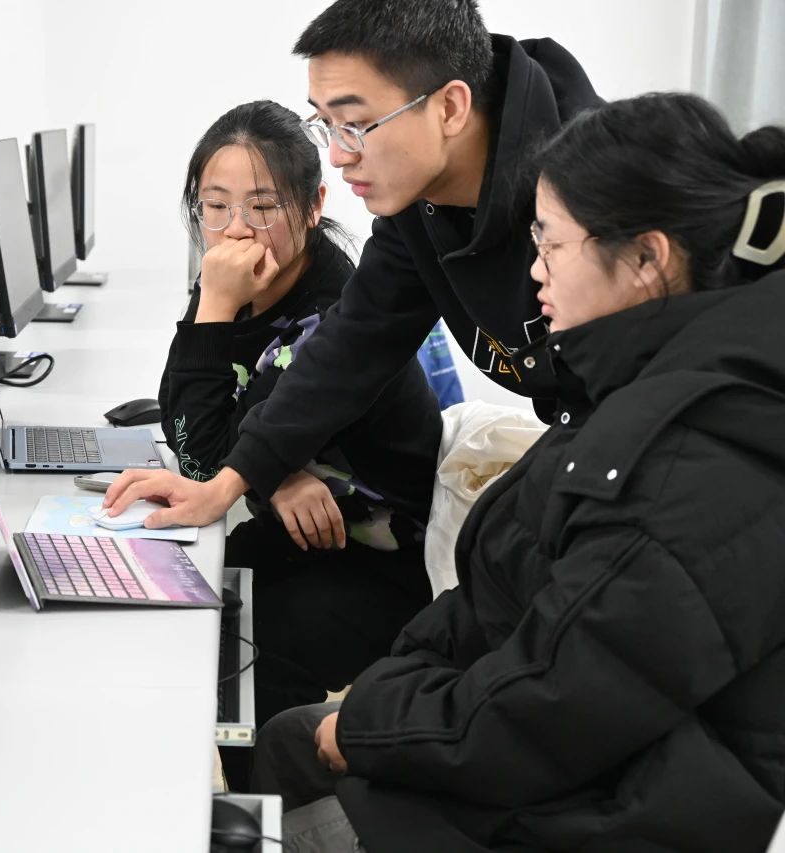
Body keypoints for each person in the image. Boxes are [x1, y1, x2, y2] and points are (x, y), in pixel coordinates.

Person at [252, 92, 785, 852]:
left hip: (596, 811)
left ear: (646, 260)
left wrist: (372, 722)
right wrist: (389, 691)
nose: (534, 272)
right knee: (289, 739)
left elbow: (554, 707)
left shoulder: (695, 453)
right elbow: (506, 601)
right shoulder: (630, 388)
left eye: (551, 244)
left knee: (277, 800)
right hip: (547, 756)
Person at [104, 0, 602, 539]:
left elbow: (633, 390)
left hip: (634, 466)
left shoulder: (597, 194)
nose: (339, 155)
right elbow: (354, 343)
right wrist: (229, 483)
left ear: (450, 108)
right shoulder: (419, 204)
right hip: (584, 456)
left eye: (357, 125)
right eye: (328, 125)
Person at [158, 101, 442, 739]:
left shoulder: (329, 315)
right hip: (305, 538)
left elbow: (202, 460)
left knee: (253, 639)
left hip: (382, 563)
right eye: (214, 206)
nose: (236, 230)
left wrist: (214, 307)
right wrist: (275, 474)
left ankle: (273, 785)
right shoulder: (239, 275)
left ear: (313, 206)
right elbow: (185, 415)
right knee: (189, 583)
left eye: (262, 207)